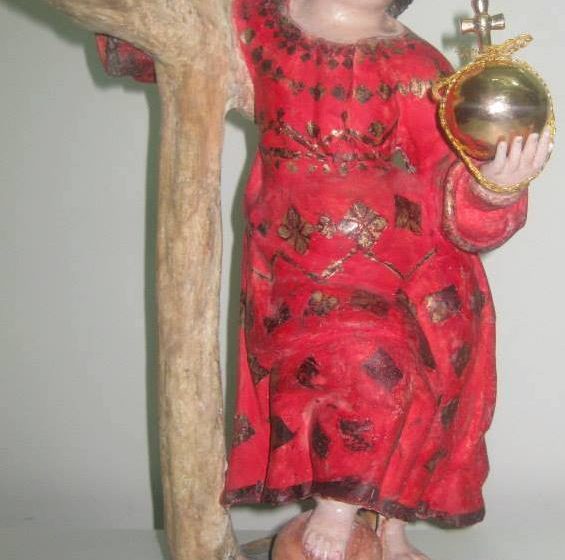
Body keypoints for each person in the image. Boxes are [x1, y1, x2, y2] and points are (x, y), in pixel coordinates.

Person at [220, 1, 552, 559]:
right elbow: (168, 36)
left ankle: (387, 529)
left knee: (425, 379)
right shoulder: (258, 25)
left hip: (411, 261)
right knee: (363, 367)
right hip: (300, 259)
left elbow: (448, 172)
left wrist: (495, 188)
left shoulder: (419, 66)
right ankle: (337, 507)